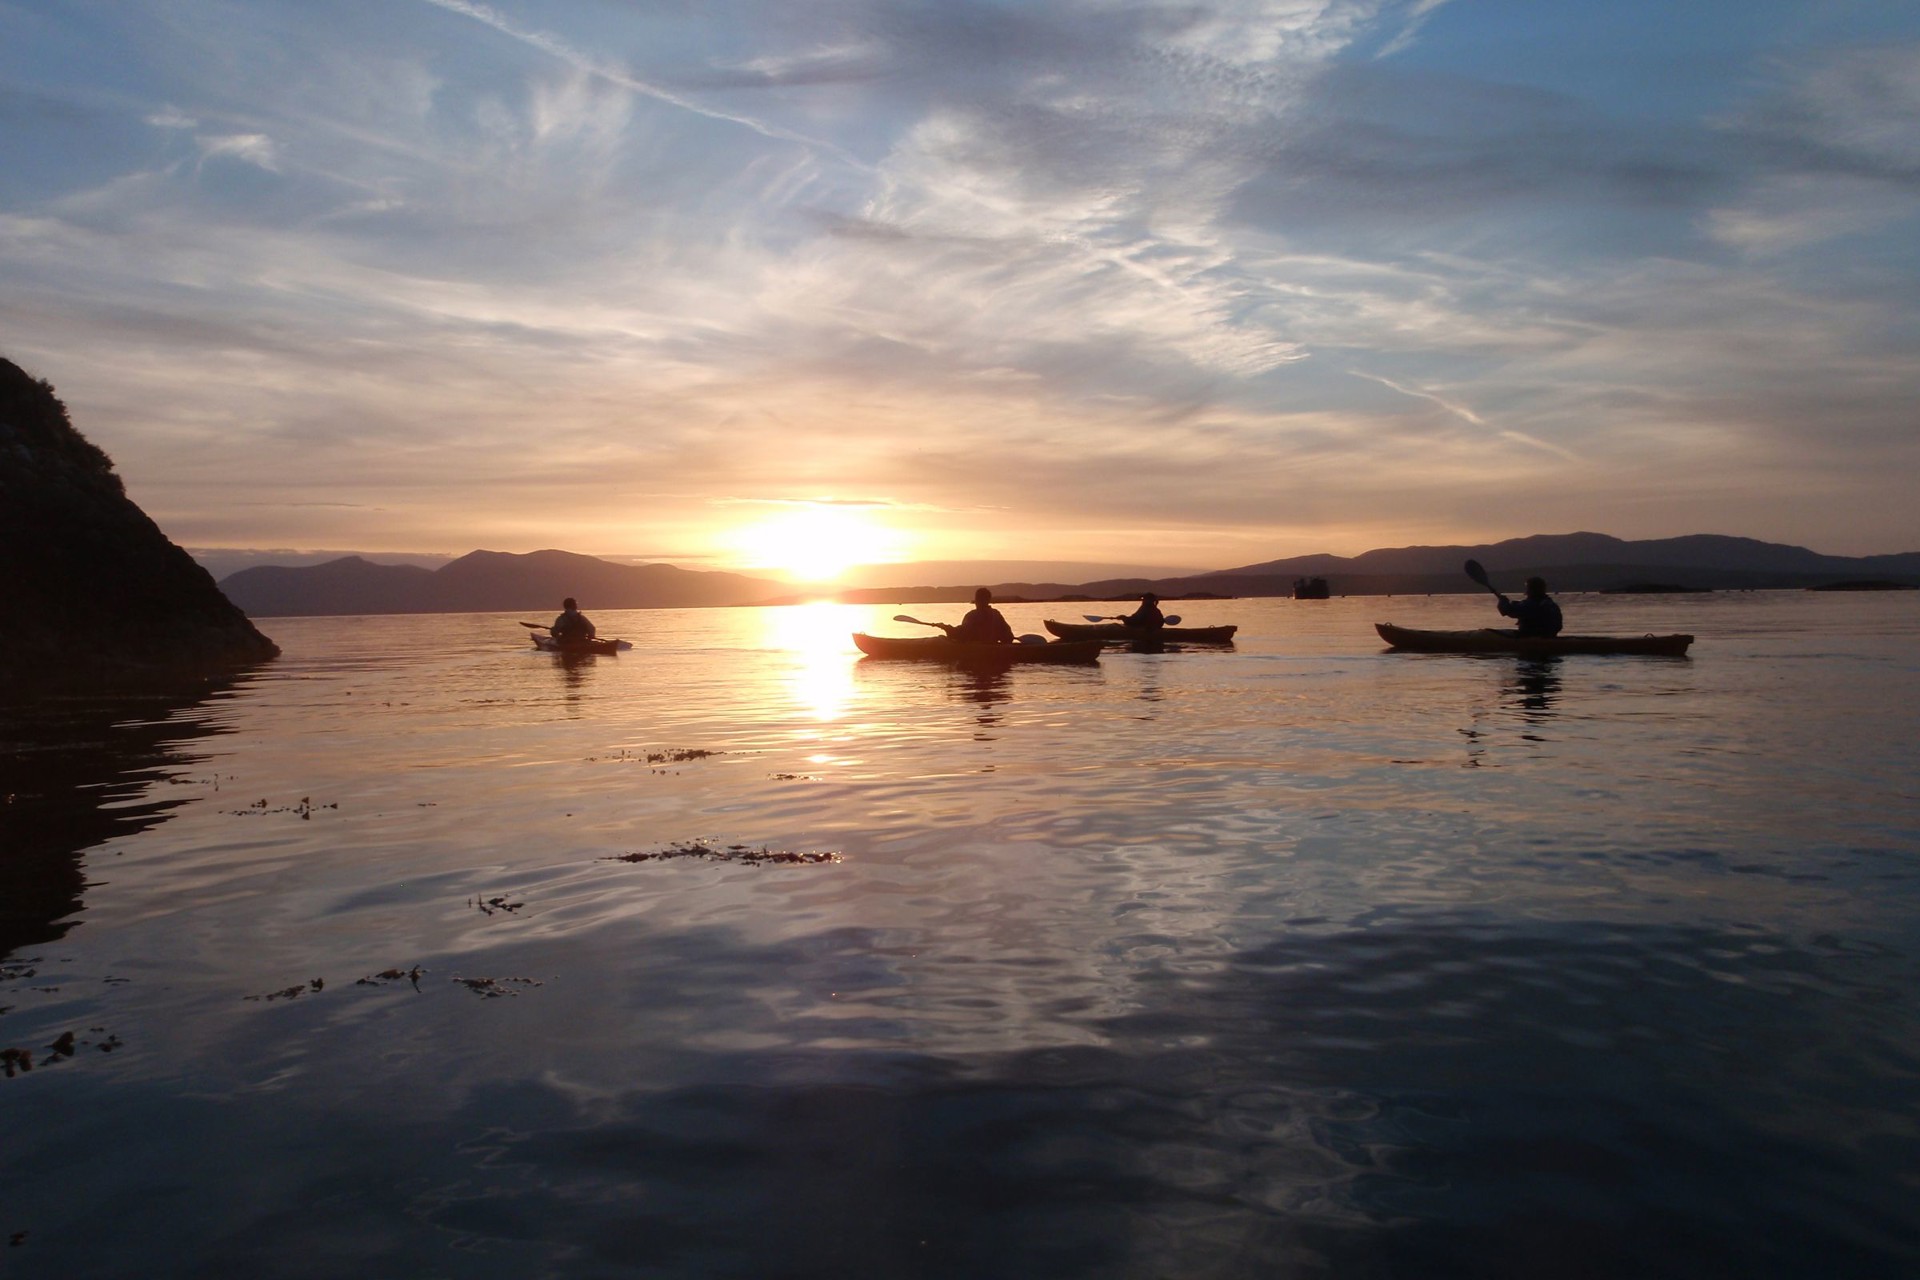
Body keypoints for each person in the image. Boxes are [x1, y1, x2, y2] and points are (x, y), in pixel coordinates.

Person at [941, 587, 1014, 644]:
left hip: (977, 650)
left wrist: (948, 629)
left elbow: (961, 634)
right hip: (993, 649)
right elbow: (1008, 637)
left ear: (976, 600)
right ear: (989, 600)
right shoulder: (996, 614)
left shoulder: (972, 615)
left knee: (942, 638)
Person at [1497, 577, 1563, 638]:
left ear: (1532, 589)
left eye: (1527, 588)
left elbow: (1509, 611)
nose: (1527, 591)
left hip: (1530, 636)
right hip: (1549, 636)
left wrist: (1503, 602)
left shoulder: (1531, 604)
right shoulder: (1551, 604)